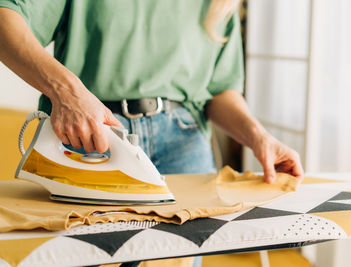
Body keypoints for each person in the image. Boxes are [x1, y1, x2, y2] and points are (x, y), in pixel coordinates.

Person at [0, 0, 303, 265]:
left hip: (184, 142)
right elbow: (5, 18)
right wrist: (68, 94)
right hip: (92, 134)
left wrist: (259, 137)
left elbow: (220, 90)